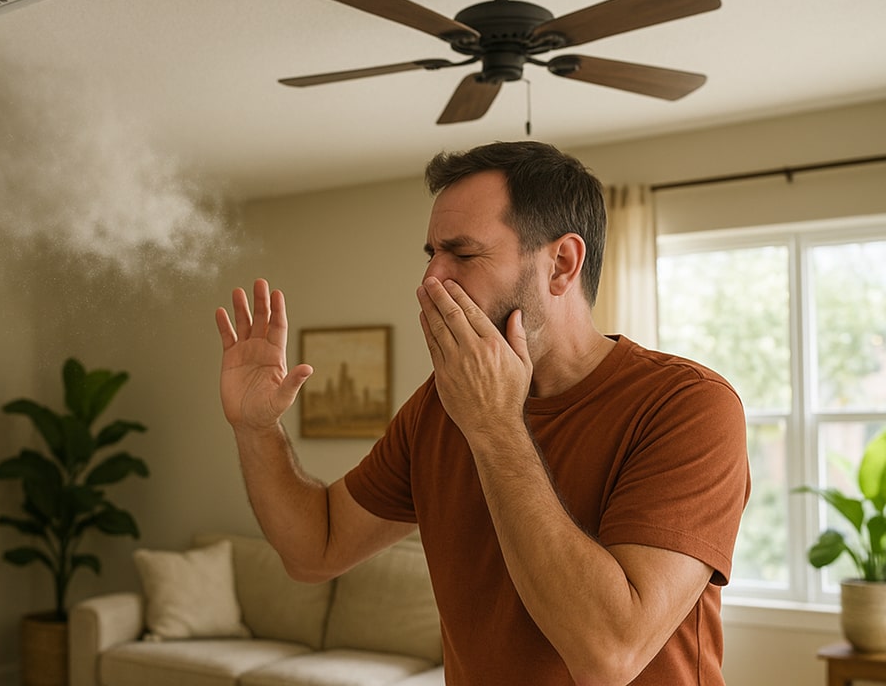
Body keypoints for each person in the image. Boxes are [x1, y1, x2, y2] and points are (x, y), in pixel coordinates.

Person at [214, 140, 749, 685]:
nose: (430, 280)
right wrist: (257, 429)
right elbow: (316, 550)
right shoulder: (437, 407)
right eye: (431, 254)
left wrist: (494, 426)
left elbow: (607, 654)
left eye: (463, 254)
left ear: (562, 264)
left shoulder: (688, 406)